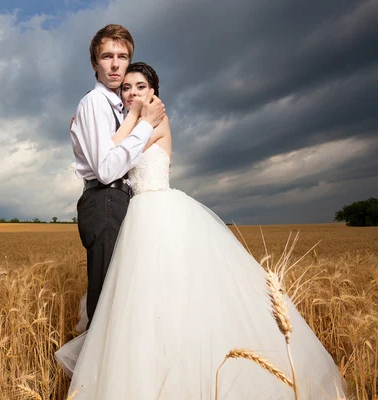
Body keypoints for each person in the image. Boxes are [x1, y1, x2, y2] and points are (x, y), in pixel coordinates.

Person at [56, 62, 345, 399]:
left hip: (157, 212)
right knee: (144, 302)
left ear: (154, 93)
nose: (132, 93)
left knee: (172, 295)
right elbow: (107, 153)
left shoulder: (154, 121)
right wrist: (84, 132)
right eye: (127, 88)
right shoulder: (137, 122)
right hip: (136, 215)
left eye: (140, 87)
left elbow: (113, 149)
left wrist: (118, 124)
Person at [70, 24, 166, 330]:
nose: (115, 64)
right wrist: (144, 126)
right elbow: (107, 169)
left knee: (121, 296)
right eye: (107, 56)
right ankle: (98, 374)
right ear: (94, 63)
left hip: (118, 199)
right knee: (108, 301)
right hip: (105, 197)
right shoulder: (96, 103)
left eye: (122, 57)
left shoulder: (119, 108)